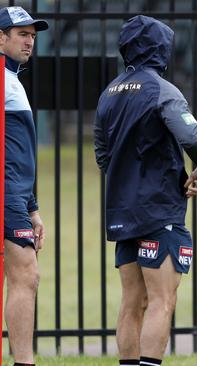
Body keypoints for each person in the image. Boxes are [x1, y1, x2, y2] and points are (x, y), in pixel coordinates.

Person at [94, 15, 197, 366]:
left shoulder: (108, 94)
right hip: (159, 209)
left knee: (131, 301)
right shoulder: (162, 89)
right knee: (162, 300)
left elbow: (102, 154)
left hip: (122, 211)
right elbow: (191, 135)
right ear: (160, 48)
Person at [0, 6, 48, 366]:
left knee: (26, 276)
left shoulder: (13, 78)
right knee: (26, 275)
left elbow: (20, 151)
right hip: (6, 194)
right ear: (1, 38)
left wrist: (32, 207)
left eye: (32, 35)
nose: (29, 40)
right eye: (21, 34)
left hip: (17, 196)